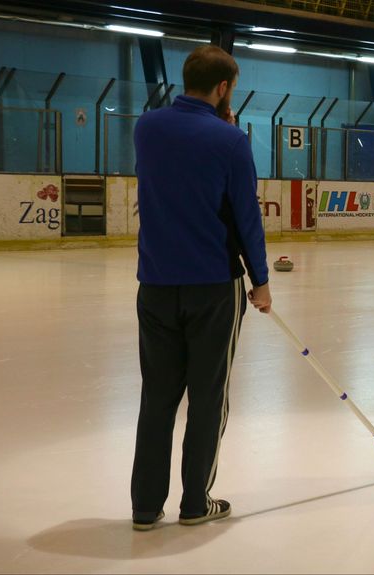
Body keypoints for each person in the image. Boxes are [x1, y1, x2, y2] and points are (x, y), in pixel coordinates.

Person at [130, 45, 272, 531]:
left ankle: (145, 508)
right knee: (208, 396)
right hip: (213, 286)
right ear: (224, 87)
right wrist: (262, 281)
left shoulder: (145, 128)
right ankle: (195, 502)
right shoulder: (231, 141)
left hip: (155, 283)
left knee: (158, 397)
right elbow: (245, 216)